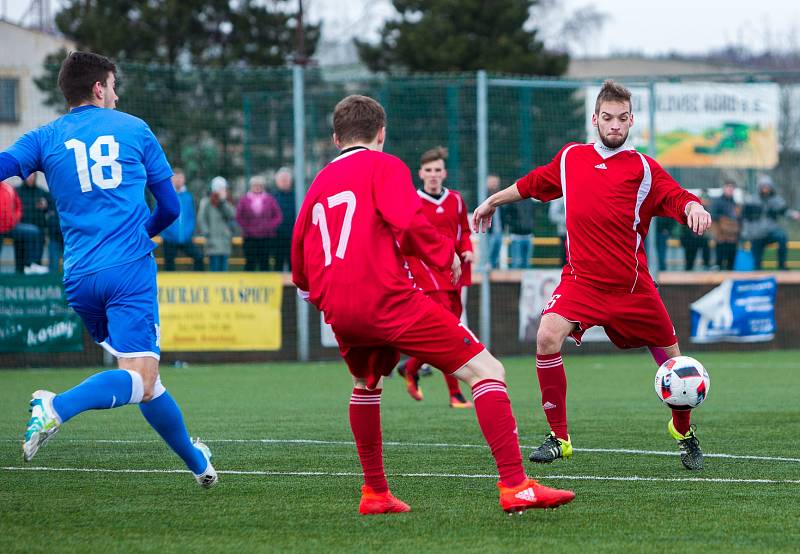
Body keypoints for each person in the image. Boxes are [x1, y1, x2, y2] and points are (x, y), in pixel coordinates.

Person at [292, 94, 575, 515]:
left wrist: (318, 296)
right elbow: (407, 221)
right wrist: (446, 256)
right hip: (386, 298)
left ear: (336, 139)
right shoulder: (384, 164)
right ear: (381, 134)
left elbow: (299, 252)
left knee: (367, 383)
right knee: (487, 370)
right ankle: (516, 485)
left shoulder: (318, 182)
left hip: (337, 305)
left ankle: (375, 494)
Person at [0, 51, 216, 486]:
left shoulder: (45, 136)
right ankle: (55, 406)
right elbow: (170, 207)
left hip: (78, 277)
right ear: (99, 89)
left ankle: (199, 465)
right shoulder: (134, 128)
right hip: (127, 270)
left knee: (145, 380)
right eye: (113, 86)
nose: (116, 95)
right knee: (139, 374)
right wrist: (145, 232)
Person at [472, 80, 712, 471]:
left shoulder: (643, 168)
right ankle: (559, 438)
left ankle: (684, 434)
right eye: (607, 118)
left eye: (621, 118)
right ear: (595, 119)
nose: (614, 125)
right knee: (547, 336)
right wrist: (492, 201)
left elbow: (677, 196)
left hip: (633, 288)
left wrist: (695, 208)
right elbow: (533, 184)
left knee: (676, 368)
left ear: (631, 120)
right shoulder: (571, 158)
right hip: (582, 282)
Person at [399, 146, 474, 409]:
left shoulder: (455, 200)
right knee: (449, 332)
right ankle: (455, 394)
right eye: (428, 170)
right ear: (420, 173)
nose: (433, 175)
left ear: (445, 173)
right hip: (426, 274)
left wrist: (467, 249)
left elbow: (464, 231)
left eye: (437, 170)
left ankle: (411, 367)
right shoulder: (412, 202)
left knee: (449, 328)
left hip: (454, 273)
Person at [743, 176, 795, 270]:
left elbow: (785, 211)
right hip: (757, 234)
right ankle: (758, 273)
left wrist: (795, 215)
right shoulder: (752, 201)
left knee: (782, 236)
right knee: (757, 262)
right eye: (763, 187)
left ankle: (781, 265)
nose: (765, 189)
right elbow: (745, 218)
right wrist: (747, 233)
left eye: (767, 187)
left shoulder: (776, 200)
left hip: (771, 232)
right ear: (760, 188)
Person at [160, 168, 204, 271]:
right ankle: (169, 285)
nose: (178, 180)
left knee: (199, 258)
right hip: (169, 239)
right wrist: (167, 233)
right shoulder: (166, 196)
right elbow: (161, 216)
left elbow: (191, 217)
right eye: (176, 177)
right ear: (171, 179)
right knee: (169, 264)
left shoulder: (188, 197)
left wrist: (188, 233)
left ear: (184, 179)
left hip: (186, 238)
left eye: (180, 177)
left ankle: (198, 282)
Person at [236, 174, 282, 271]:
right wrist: (247, 227)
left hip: (266, 237)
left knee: (264, 262)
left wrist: (269, 226)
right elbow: (239, 217)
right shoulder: (244, 200)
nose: (257, 187)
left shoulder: (270, 200)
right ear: (251, 186)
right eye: (255, 185)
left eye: (259, 185)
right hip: (249, 237)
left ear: (263, 186)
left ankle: (265, 285)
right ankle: (247, 285)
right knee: (250, 262)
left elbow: (278, 216)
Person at [0, 179, 46, 274]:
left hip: (10, 227)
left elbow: (18, 206)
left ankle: (31, 265)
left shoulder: (9, 188)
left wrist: (15, 218)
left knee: (33, 231)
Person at [197, 176, 237, 272]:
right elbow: (201, 219)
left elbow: (232, 214)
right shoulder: (206, 202)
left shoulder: (227, 202)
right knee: (214, 269)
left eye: (224, 188)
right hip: (212, 241)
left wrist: (223, 202)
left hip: (225, 241)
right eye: (220, 188)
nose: (222, 190)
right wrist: (207, 233)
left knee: (224, 270)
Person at [17, 172, 51, 269]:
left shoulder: (42, 192)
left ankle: (35, 266)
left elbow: (51, 207)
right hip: (20, 230)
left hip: (39, 230)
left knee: (36, 258)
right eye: (28, 176)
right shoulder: (16, 191)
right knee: (20, 258)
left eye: (32, 175)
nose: (30, 178)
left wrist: (45, 206)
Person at [710, 180, 741, 271]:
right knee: (719, 263)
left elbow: (739, 220)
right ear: (724, 188)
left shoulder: (735, 203)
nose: (730, 189)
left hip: (732, 238)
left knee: (731, 264)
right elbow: (713, 217)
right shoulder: (717, 202)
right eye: (728, 186)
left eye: (732, 187)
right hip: (721, 238)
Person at [272, 167, 295, 271]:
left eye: (286, 179)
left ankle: (293, 287)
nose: (284, 182)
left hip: (294, 235)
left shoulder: (297, 196)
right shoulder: (272, 197)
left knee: (293, 262)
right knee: (278, 262)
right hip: (277, 236)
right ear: (277, 182)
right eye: (282, 180)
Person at [506, 196, 535, 268]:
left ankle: (528, 279)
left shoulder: (530, 200)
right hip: (516, 236)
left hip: (528, 235)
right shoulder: (512, 200)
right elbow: (507, 216)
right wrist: (515, 225)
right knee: (516, 263)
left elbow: (533, 215)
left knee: (527, 264)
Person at [485, 174, 504, 269]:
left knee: (497, 253)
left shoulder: (501, 197)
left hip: (499, 231)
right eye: (492, 183)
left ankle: (495, 267)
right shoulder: (484, 197)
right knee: (488, 252)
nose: (494, 185)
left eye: (496, 183)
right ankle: (486, 269)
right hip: (489, 231)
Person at [548, 196, 567, 267]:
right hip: (564, 233)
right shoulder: (558, 198)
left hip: (579, 233)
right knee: (565, 259)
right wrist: (569, 219)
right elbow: (552, 216)